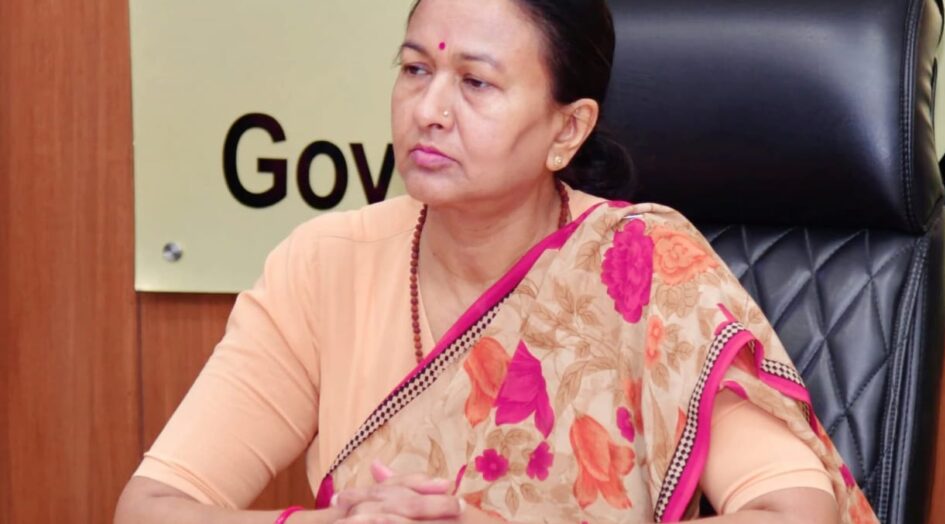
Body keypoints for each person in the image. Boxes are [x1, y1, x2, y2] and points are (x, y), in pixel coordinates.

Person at [115, 0, 879, 522]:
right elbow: (151, 507)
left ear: (566, 130)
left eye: (475, 83)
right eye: (414, 69)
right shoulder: (324, 266)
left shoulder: (644, 267)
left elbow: (792, 508)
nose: (428, 111)